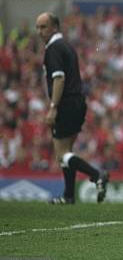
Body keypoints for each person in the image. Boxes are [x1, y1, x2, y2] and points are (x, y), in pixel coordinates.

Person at [35, 12, 109, 204]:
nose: (39, 31)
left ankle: (96, 174)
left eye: (43, 27)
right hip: (77, 102)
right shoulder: (67, 46)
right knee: (67, 152)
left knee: (61, 154)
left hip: (65, 104)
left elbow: (59, 78)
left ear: (55, 27)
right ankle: (69, 195)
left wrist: (53, 107)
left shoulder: (53, 48)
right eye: (38, 27)